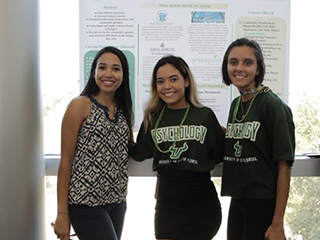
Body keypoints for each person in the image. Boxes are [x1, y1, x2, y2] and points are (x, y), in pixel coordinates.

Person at [131, 55, 224, 240]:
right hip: (168, 204)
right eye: (160, 81)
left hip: (202, 205)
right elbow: (139, 153)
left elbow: (220, 154)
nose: (167, 86)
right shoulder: (153, 118)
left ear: (187, 81)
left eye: (173, 79)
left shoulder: (204, 116)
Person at [53, 46, 134, 240]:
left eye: (116, 68)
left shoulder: (123, 111)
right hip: (85, 204)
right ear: (94, 72)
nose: (108, 74)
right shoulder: (80, 105)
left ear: (123, 75)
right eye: (102, 67)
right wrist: (62, 213)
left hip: (117, 202)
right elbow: (66, 161)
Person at [221, 38, 295, 240]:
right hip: (238, 199)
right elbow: (246, 139)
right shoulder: (236, 104)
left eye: (247, 62)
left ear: (258, 68)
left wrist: (278, 223)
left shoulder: (273, 106)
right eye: (233, 62)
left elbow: (284, 166)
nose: (239, 68)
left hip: (263, 202)